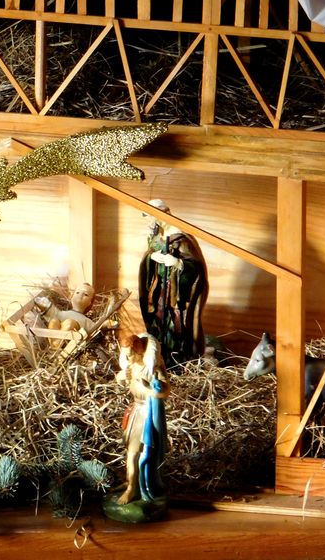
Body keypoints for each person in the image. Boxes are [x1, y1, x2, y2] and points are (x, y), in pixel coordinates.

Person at [138, 199, 208, 368]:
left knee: (176, 324)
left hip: (177, 296)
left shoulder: (182, 238)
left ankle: (177, 361)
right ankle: (160, 357)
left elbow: (196, 268)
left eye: (150, 216)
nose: (149, 221)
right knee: (158, 321)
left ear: (163, 213)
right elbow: (149, 255)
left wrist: (178, 264)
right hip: (159, 291)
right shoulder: (157, 236)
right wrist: (151, 257)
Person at [116, 332, 169, 505]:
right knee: (130, 450)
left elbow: (165, 391)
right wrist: (121, 377)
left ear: (139, 350)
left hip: (146, 413)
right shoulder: (132, 366)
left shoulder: (153, 368)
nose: (127, 358)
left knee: (134, 452)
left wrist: (148, 388)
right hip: (135, 411)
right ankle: (131, 480)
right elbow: (123, 381)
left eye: (130, 354)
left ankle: (132, 488)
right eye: (125, 355)